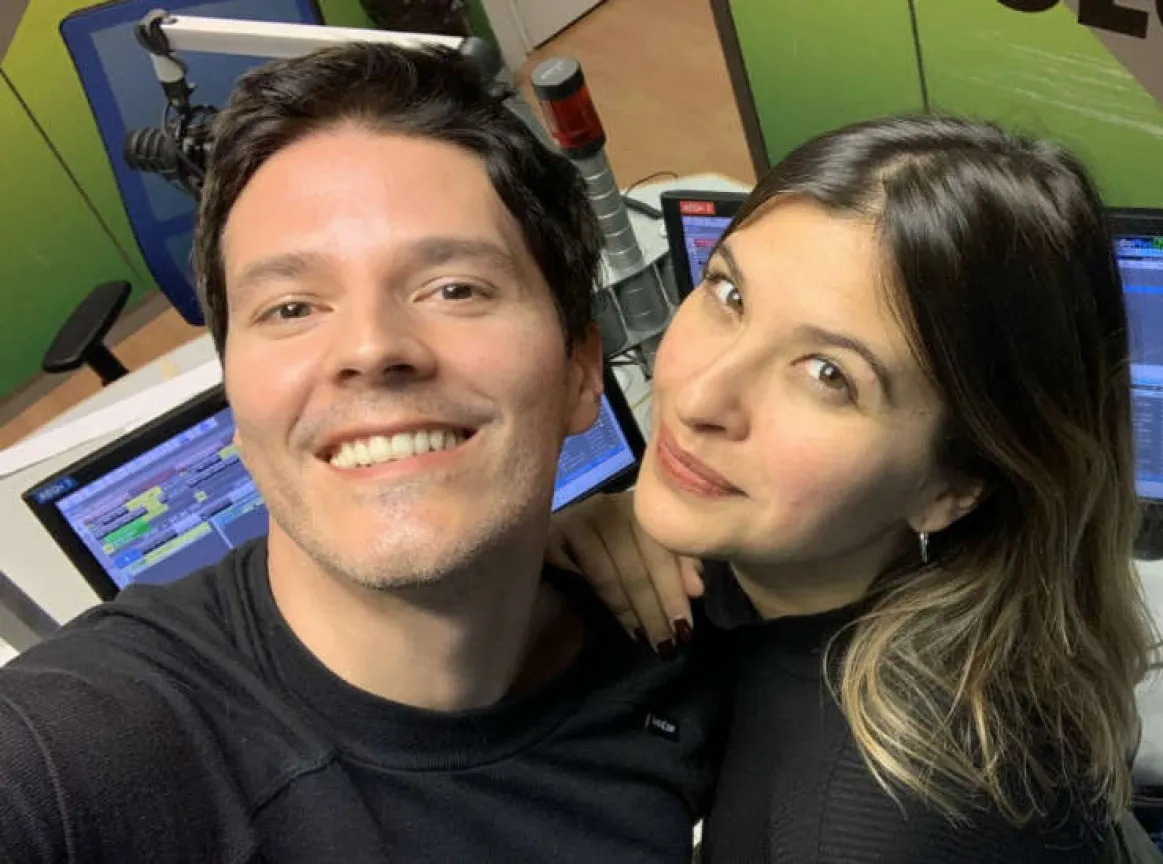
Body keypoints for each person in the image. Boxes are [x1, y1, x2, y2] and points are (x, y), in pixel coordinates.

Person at [0, 44, 722, 862]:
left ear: (582, 371)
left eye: (455, 289)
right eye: (292, 307)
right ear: (236, 397)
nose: (372, 347)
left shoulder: (676, 638)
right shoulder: (76, 750)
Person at [547, 115, 1163, 862]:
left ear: (955, 485)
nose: (699, 395)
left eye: (828, 375)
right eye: (729, 293)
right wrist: (587, 535)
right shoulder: (931, 589)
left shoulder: (858, 826)